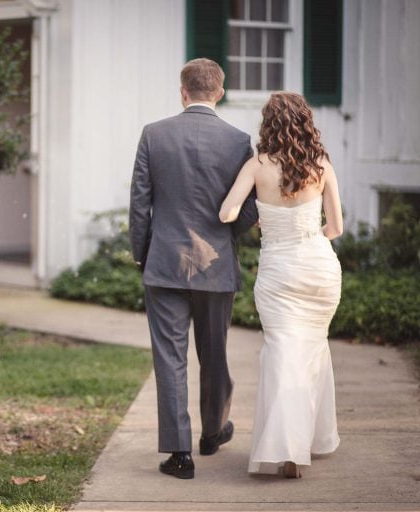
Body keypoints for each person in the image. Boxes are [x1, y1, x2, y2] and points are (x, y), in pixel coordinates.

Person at [129, 58, 257, 479]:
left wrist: (139, 252)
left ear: (183, 91)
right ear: (218, 92)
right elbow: (246, 210)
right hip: (216, 267)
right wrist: (226, 237)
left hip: (164, 264)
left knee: (170, 358)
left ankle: (179, 454)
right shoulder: (239, 141)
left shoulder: (154, 134)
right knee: (214, 353)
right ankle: (213, 432)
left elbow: (140, 202)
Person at [219, 91, 343, 479]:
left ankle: (287, 448)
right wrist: (308, 233)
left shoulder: (256, 166)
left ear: (268, 124)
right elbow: (336, 228)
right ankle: (304, 442)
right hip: (319, 268)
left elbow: (227, 212)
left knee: (282, 355)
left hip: (279, 272)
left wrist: (262, 216)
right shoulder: (321, 164)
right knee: (311, 351)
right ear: (305, 122)